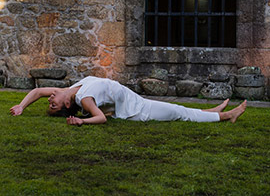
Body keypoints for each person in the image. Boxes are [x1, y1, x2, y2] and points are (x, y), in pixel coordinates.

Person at [10, 76, 247, 126]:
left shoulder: (70, 89)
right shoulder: (83, 98)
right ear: (68, 105)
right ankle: (227, 115)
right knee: (178, 113)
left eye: (51, 99)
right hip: (137, 111)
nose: (50, 98)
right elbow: (101, 117)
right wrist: (82, 122)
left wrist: (22, 105)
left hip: (135, 102)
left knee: (176, 109)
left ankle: (212, 110)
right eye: (54, 104)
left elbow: (38, 90)